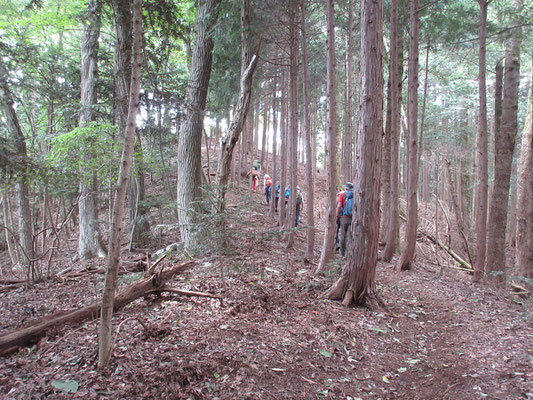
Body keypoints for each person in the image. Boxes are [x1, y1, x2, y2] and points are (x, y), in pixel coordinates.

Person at [336, 182, 354, 256]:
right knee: (349, 235)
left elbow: (339, 206)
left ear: (346, 188)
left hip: (343, 217)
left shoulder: (342, 195)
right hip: (352, 218)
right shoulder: (355, 195)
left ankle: (342, 252)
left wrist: (336, 216)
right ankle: (348, 253)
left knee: (343, 234)